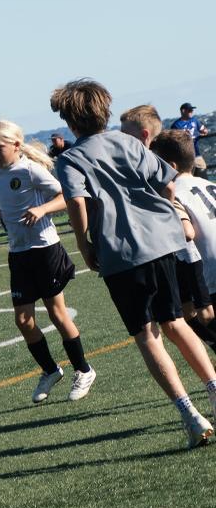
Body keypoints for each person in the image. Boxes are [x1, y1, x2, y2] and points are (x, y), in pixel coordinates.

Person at [50, 79, 216, 447]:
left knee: (147, 335)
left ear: (70, 122)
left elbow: (77, 202)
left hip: (122, 252)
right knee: (175, 322)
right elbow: (168, 183)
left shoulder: (71, 158)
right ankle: (214, 388)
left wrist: (83, 243)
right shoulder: (128, 141)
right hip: (162, 242)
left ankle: (190, 414)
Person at [0, 120, 95, 403]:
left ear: (15, 145)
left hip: (45, 249)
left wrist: (42, 208)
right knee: (23, 320)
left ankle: (84, 370)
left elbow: (67, 196)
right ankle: (50, 370)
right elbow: (9, 209)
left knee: (57, 314)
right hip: (19, 253)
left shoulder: (30, 169)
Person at [150, 130, 216, 346]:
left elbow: (187, 234)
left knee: (189, 318)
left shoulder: (173, 192)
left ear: (171, 166)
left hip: (209, 271)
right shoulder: (210, 185)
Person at [170, 102, 208, 174]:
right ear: (183, 111)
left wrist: (204, 131)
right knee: (188, 174)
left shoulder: (194, 120)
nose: (192, 112)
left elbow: (203, 129)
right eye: (190, 110)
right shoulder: (176, 125)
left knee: (202, 167)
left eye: (192, 110)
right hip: (185, 155)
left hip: (196, 153)